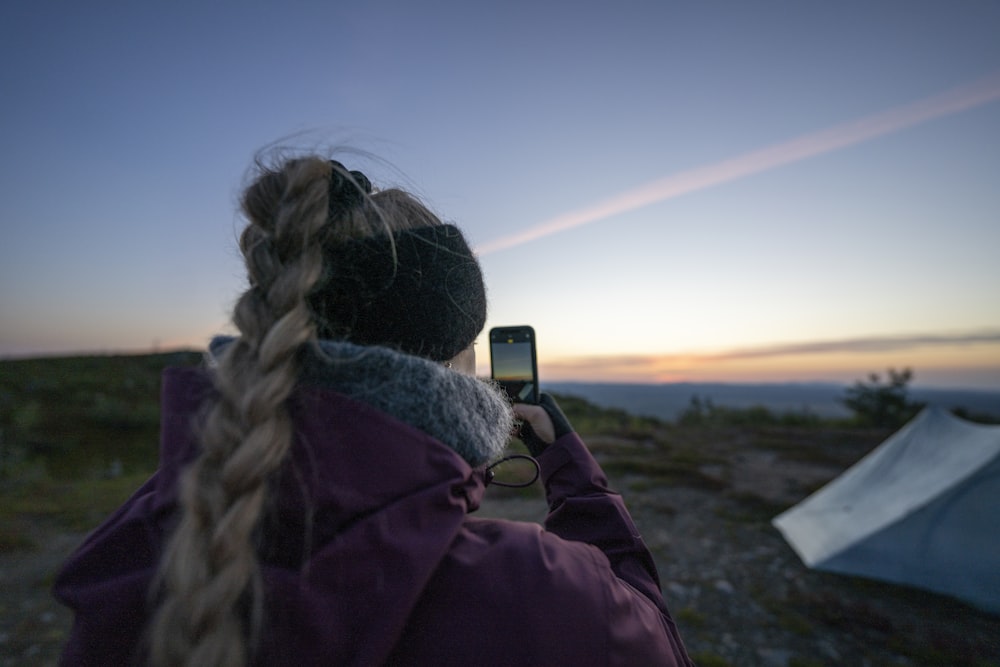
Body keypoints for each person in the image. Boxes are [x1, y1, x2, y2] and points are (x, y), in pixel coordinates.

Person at [54, 156, 693, 666]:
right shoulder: (536, 589)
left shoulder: (135, 541)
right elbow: (648, 628)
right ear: (455, 355)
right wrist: (570, 466)